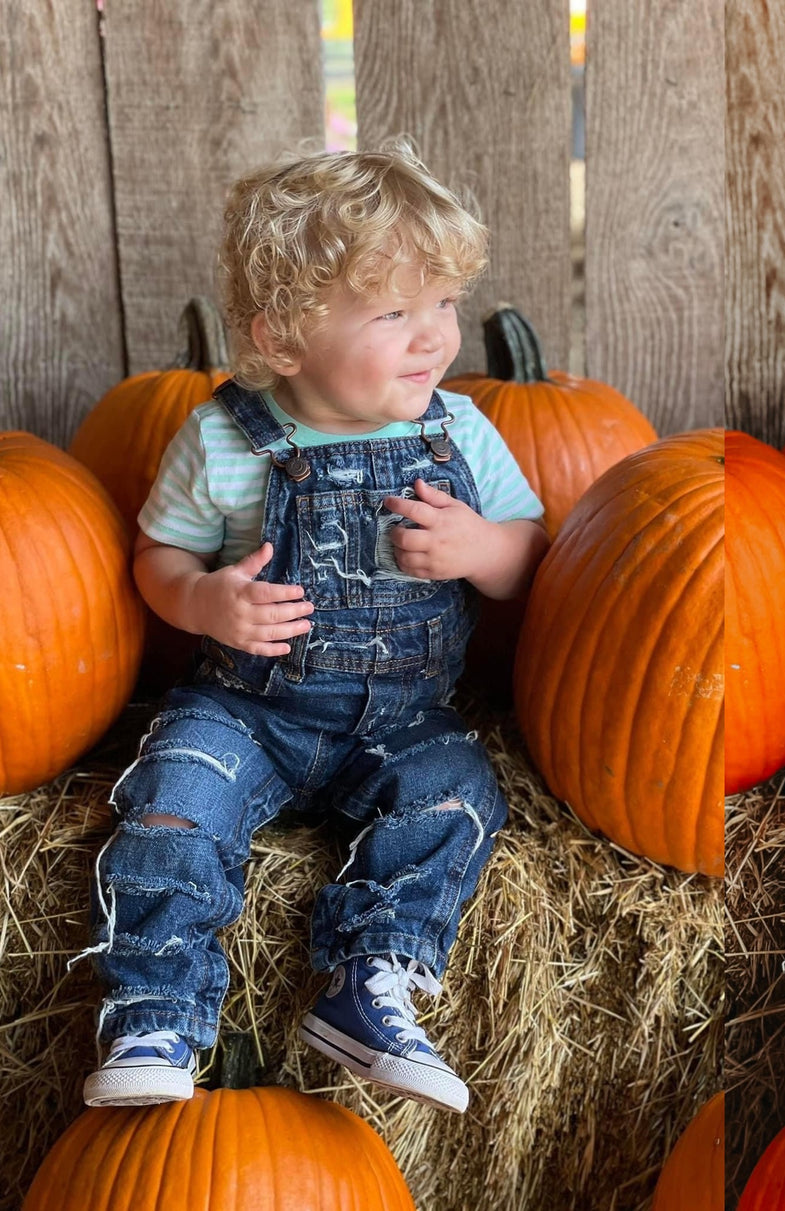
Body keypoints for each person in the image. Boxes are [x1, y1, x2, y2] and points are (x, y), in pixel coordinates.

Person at [75, 141, 549, 1114]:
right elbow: (155, 560)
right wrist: (205, 600)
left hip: (402, 713)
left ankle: (370, 980)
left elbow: (532, 556)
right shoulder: (226, 437)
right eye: (392, 313)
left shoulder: (459, 432)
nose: (431, 338)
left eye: (442, 304)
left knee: (456, 798)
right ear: (284, 339)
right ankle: (154, 1010)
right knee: (173, 800)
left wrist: (476, 547)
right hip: (250, 708)